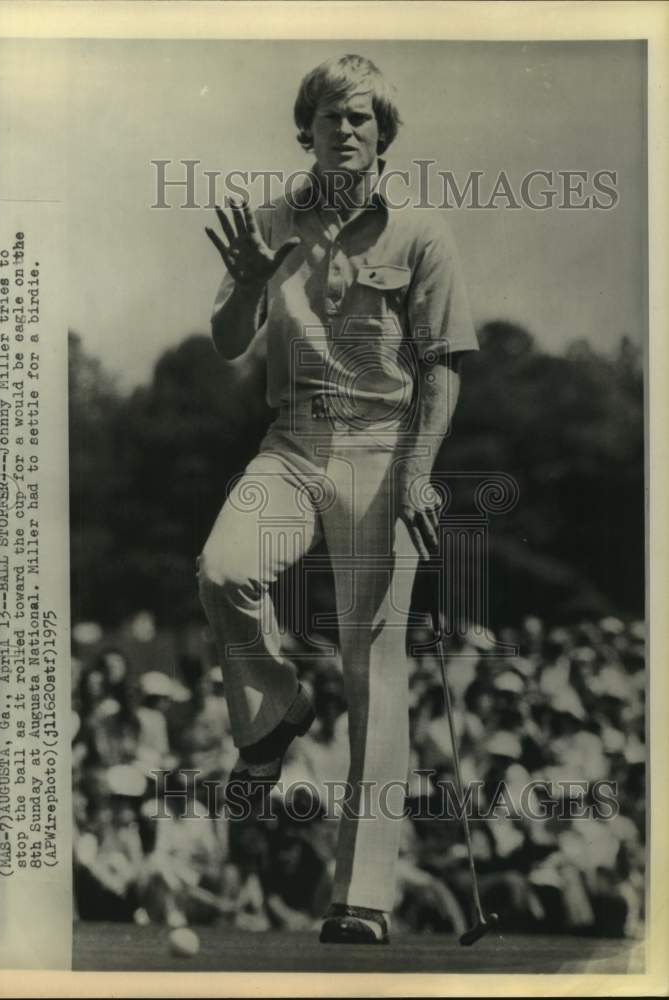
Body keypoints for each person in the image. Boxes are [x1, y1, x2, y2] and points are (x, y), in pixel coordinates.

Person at [198, 54, 478, 944]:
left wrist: (421, 470)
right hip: (291, 442)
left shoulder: (423, 233)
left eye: (359, 118)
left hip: (380, 452)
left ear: (383, 132)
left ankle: (362, 898)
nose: (344, 130)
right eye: (327, 116)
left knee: (373, 668)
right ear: (306, 129)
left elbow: (441, 369)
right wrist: (247, 280)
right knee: (221, 572)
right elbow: (224, 343)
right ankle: (276, 709)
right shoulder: (271, 220)